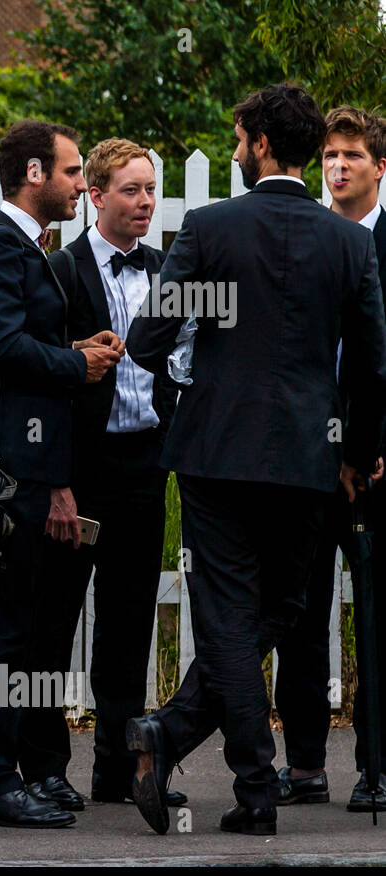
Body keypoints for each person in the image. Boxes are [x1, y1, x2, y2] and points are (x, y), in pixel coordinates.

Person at [125, 83, 386, 836]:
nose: (237, 151)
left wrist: (203, 343)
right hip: (311, 459)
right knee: (278, 609)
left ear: (263, 145)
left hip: (216, 453)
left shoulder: (211, 227)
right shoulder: (350, 243)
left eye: (240, 140)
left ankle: (198, 754)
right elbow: (372, 368)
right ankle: (243, 781)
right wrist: (359, 452)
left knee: (237, 615)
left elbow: (149, 340)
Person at [0, 120, 121, 829]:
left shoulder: (16, 246)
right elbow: (1, 346)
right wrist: (76, 362)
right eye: (76, 173)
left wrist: (72, 347)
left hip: (16, 469)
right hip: (3, 474)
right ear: (37, 173)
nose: (83, 185)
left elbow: (20, 343)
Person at [30, 139, 186, 810]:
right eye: (130, 189)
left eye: (151, 189)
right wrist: (57, 479)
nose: (145, 201)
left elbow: (184, 360)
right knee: (53, 621)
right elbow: (44, 383)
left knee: (129, 624)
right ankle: (44, 771)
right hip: (78, 472)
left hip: (144, 465)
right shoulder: (60, 272)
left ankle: (118, 776)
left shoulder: (167, 268)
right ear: (95, 196)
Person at [274, 105, 386, 812]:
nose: (337, 168)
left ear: (380, 166)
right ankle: (307, 766)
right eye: (327, 158)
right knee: (301, 618)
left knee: (377, 617)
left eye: (350, 155)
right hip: (310, 460)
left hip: (378, 465)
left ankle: (377, 768)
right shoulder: (309, 237)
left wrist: (376, 447)